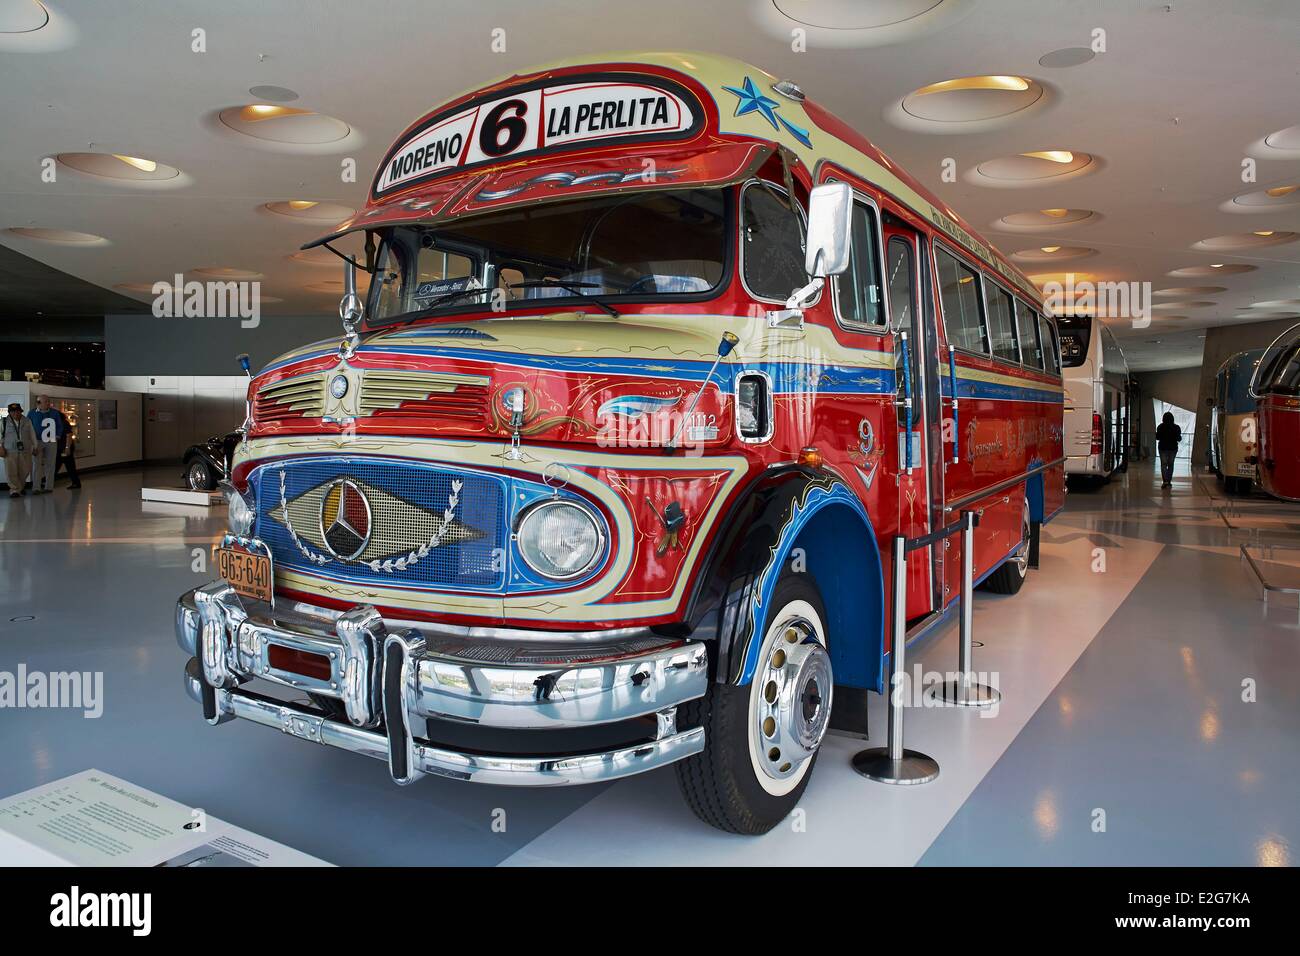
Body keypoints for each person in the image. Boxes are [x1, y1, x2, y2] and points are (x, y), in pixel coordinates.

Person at [1, 402, 37, 498]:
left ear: (21, 411)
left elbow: (32, 435)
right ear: (9, 412)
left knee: (25, 470)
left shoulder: (27, 421)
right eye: (13, 412)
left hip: (25, 450)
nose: (16, 414)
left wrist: (35, 447)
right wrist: (0, 448)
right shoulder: (3, 421)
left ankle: (19, 487)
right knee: (11, 471)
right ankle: (14, 490)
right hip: (9, 451)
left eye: (17, 411)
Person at [27, 395, 60, 494]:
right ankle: (36, 487)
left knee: (50, 464)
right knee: (36, 464)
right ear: (38, 403)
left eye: (48, 401)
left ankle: (48, 487)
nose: (48, 403)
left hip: (51, 441)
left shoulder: (54, 413)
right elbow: (28, 427)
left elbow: (59, 425)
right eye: (45, 401)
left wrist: (57, 435)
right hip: (37, 441)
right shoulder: (32, 413)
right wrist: (32, 443)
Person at [53, 405, 81, 489]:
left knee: (62, 466)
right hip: (62, 448)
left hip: (63, 448)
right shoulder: (60, 422)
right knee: (68, 466)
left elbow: (69, 435)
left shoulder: (63, 423)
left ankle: (48, 482)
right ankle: (76, 482)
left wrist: (67, 448)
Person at [1155, 411, 1182, 489]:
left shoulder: (1160, 427)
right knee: (1171, 464)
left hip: (1162, 448)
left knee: (1163, 464)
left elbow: (1157, 437)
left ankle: (1165, 482)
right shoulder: (1176, 427)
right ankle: (1169, 481)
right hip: (1173, 448)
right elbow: (1179, 438)